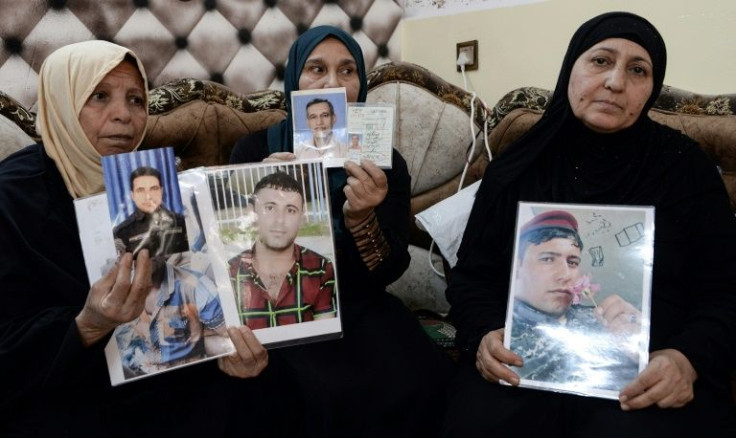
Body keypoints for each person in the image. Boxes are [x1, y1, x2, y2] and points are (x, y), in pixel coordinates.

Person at [443, 12, 736, 437]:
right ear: (570, 70)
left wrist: (686, 359)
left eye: (638, 70)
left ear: (651, 89)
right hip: (526, 368)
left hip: (648, 377)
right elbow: (472, 277)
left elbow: (725, 290)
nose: (616, 82)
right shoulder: (519, 165)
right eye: (600, 61)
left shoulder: (685, 170)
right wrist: (485, 334)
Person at [0, 41, 270, 436]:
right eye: (99, 97)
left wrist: (231, 350)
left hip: (165, 376)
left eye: (136, 100)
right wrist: (86, 326)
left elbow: (193, 294)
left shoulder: (152, 184)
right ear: (61, 102)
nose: (124, 116)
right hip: (62, 389)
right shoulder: (11, 197)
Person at [230, 25, 454, 437]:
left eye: (348, 71)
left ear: (361, 83)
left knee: (419, 381)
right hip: (283, 316)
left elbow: (388, 271)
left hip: (360, 307)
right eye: (317, 69)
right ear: (294, 80)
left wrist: (361, 218)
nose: (334, 83)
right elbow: (236, 258)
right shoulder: (255, 151)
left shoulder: (384, 161)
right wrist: (259, 197)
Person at [509, 210, 640, 389]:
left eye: (572, 262)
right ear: (517, 268)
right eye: (547, 259)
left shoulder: (600, 317)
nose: (565, 275)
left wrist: (641, 347)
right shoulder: (506, 336)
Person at [228, 171, 337, 329]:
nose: (280, 220)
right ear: (252, 212)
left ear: (301, 218)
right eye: (270, 208)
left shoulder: (321, 268)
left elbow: (326, 333)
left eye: (291, 210)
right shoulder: (229, 271)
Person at [115, 254, 231, 379]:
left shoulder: (196, 287)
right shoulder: (116, 293)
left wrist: (193, 345)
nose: (145, 252)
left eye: (151, 242)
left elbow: (228, 338)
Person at [113, 165, 188, 257]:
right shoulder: (121, 231)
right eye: (140, 190)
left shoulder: (181, 221)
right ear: (132, 195)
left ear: (161, 191)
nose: (148, 197)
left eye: (153, 189)